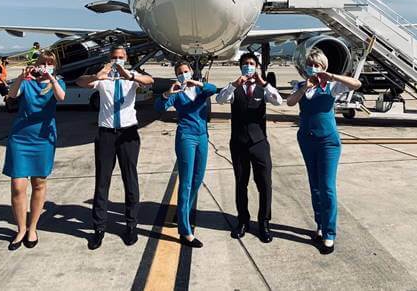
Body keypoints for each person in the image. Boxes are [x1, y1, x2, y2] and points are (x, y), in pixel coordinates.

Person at [284, 48, 362, 255]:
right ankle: (319, 224)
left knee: (327, 187)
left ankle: (329, 233)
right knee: (315, 185)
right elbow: (290, 102)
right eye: (310, 64)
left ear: (323, 67)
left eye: (317, 65)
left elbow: (356, 84)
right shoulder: (302, 86)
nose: (313, 68)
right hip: (307, 139)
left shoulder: (333, 87)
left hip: (328, 141)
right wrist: (303, 89)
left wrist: (332, 76)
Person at [77, 46, 155, 249]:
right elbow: (80, 82)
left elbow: (150, 81)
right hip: (106, 134)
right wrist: (99, 74)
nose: (117, 60)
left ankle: (131, 225)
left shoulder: (131, 77)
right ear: (109, 59)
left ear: (126, 59)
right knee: (102, 181)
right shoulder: (103, 80)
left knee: (130, 179)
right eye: (114, 57)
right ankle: (99, 228)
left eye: (121, 57)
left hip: (128, 134)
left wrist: (128, 75)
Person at [2, 51, 66, 250]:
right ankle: (20, 229)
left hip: (43, 139)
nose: (46, 66)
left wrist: (51, 79)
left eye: (50, 63)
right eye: (43, 63)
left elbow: (61, 97)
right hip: (20, 138)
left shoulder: (57, 82)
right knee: (18, 186)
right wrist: (21, 77)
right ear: (36, 64)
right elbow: (11, 95)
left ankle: (32, 228)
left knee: (39, 183)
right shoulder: (27, 82)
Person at [215, 52, 281, 242]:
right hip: (239, 143)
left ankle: (264, 222)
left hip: (259, 143)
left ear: (257, 66)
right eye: (245, 63)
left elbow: (278, 101)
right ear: (241, 66)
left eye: (252, 63)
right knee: (241, 183)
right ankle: (242, 220)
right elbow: (220, 100)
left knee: (264, 184)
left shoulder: (263, 88)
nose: (249, 66)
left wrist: (265, 84)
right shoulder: (234, 88)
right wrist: (234, 84)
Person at [157, 62, 217, 248]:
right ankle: (185, 231)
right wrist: (168, 93)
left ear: (191, 72)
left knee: (198, 178)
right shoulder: (177, 94)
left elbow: (213, 89)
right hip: (186, 137)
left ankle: (183, 211)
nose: (183, 75)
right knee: (186, 181)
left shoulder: (200, 91)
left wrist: (197, 83)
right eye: (180, 73)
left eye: (185, 71)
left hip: (202, 137)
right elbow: (159, 107)